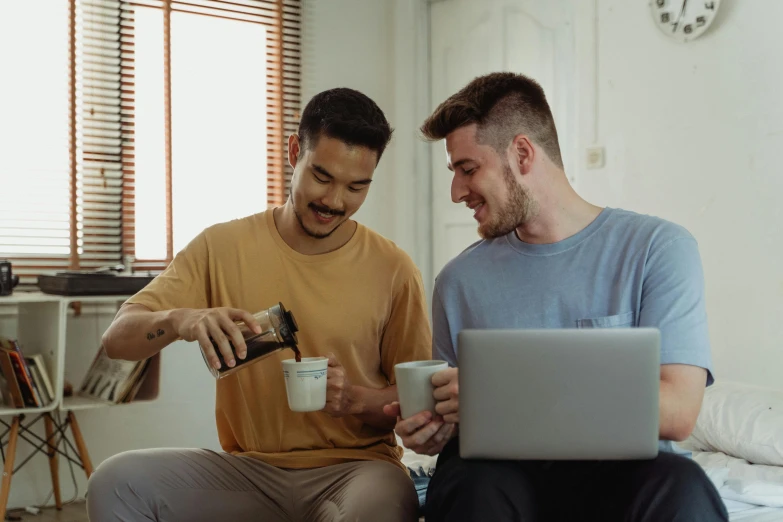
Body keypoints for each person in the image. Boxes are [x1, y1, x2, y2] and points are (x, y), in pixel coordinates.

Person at [386, 72, 729, 521]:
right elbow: (452, 423)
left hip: (621, 474)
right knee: (468, 484)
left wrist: (502, 391)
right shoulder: (458, 281)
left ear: (522, 153)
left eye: (468, 169)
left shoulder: (657, 249)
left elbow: (679, 411)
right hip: (496, 476)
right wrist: (431, 432)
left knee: (683, 485)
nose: (456, 192)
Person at [88, 87, 431, 522]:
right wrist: (182, 319)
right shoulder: (222, 246)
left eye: (357, 186)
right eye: (321, 177)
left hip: (358, 472)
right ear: (293, 151)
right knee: (116, 483)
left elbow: (415, 399)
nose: (335, 201)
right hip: (249, 472)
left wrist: (354, 400)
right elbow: (116, 341)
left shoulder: (393, 268)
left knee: (380, 509)